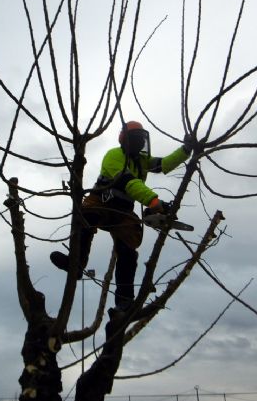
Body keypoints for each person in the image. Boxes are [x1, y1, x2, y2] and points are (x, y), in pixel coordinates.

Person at [50, 121, 193, 312]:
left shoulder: (142, 161)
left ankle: (124, 300)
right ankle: (75, 264)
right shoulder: (114, 156)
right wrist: (153, 202)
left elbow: (164, 164)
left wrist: (186, 149)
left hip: (124, 211)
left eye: (141, 140)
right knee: (86, 219)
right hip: (101, 201)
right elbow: (129, 183)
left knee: (128, 250)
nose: (139, 143)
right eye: (136, 139)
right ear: (125, 140)